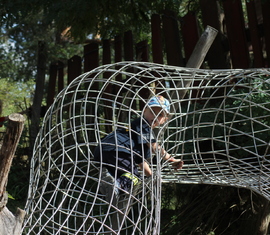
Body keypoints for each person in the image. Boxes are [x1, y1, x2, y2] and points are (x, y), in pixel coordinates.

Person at [93, 95, 183, 233]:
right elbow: (155, 147)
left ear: (164, 120)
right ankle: (115, 185)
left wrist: (151, 175)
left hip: (106, 151)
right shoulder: (142, 125)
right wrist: (172, 159)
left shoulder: (139, 139)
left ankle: (112, 185)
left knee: (129, 174)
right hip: (117, 148)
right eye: (152, 111)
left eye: (160, 115)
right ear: (144, 111)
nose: (155, 116)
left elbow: (141, 162)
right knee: (133, 177)